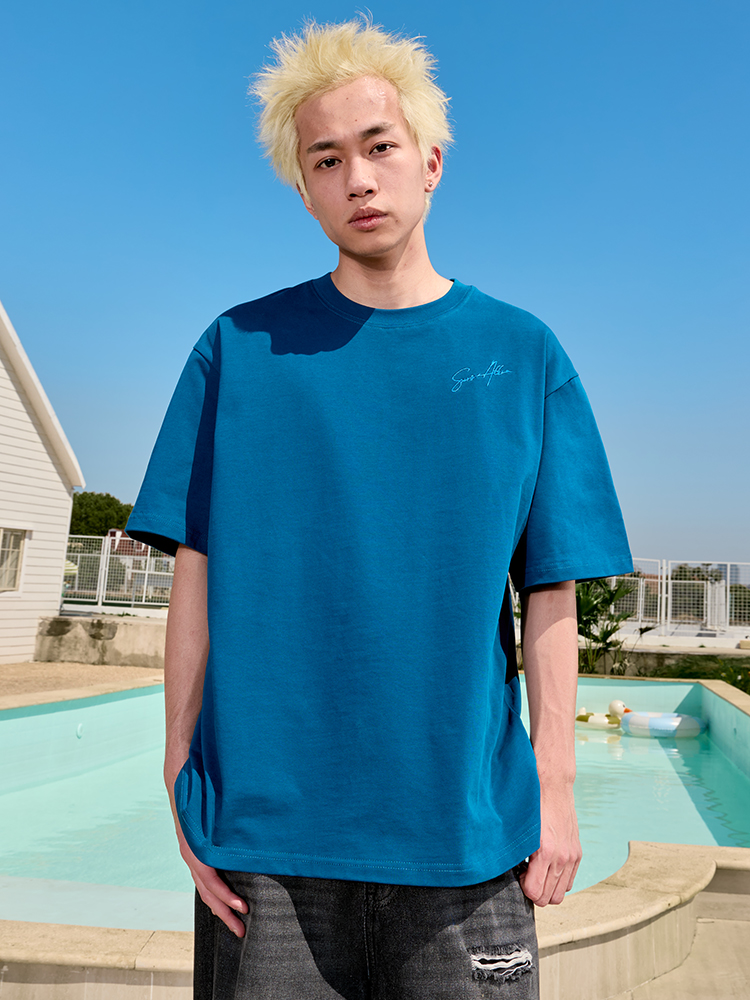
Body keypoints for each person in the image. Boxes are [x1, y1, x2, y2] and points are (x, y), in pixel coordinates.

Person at [127, 17, 632, 1000]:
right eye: (326, 160)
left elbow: (551, 593)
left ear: (430, 162)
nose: (357, 178)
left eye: (379, 147)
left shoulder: (524, 355)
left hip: (467, 844)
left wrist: (559, 792)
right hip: (266, 850)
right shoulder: (236, 351)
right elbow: (197, 571)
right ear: (304, 188)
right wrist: (178, 770)